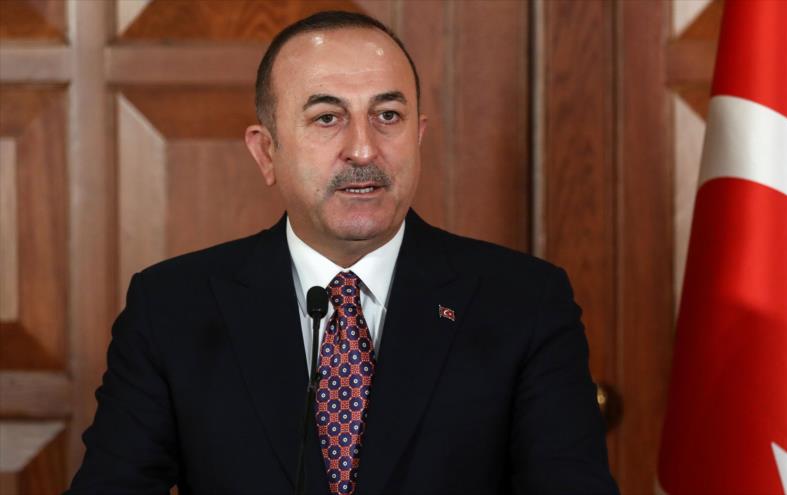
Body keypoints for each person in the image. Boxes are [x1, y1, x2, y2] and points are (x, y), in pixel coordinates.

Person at [67, 11, 617, 495]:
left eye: (388, 116)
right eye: (327, 117)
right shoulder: (171, 307)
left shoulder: (525, 302)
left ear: (419, 137)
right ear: (267, 152)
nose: (363, 149)